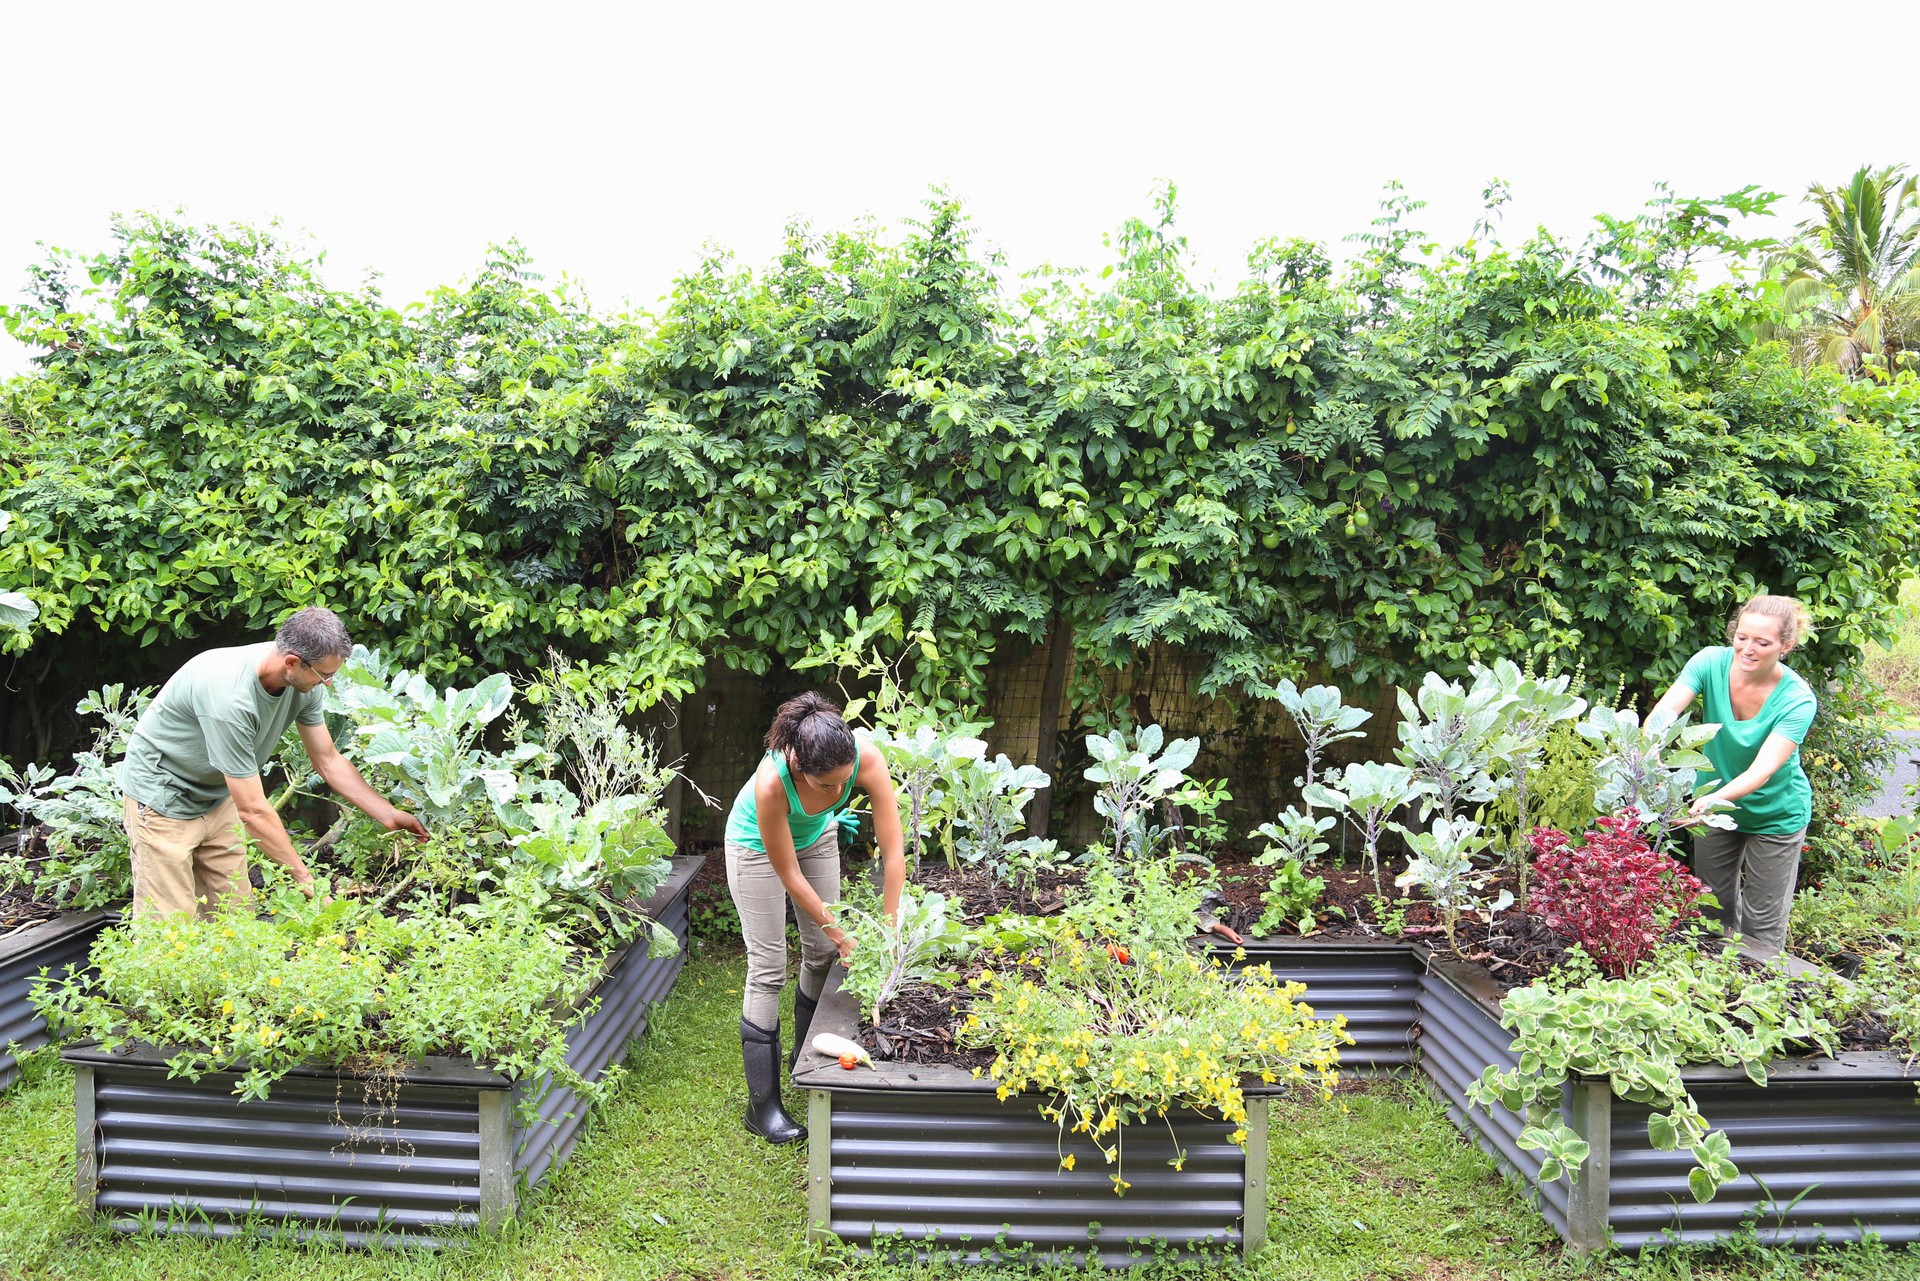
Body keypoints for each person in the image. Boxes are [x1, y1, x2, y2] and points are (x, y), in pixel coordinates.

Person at [119, 607, 429, 918]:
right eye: (325, 675)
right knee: (170, 927)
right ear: (292, 662)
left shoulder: (304, 681)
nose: (329, 683)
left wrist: (387, 813)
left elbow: (328, 759)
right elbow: (253, 809)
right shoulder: (230, 699)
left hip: (216, 794)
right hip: (163, 797)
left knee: (234, 916)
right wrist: (305, 879)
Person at [723, 692, 904, 1144]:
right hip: (755, 849)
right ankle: (762, 1107)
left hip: (816, 837)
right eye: (827, 786)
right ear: (799, 766)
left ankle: (804, 1059)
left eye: (845, 783)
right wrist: (842, 932)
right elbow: (788, 874)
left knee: (822, 954)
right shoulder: (772, 781)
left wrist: (891, 923)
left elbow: (893, 848)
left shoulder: (864, 758)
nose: (839, 793)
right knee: (768, 969)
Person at [1649, 594, 1818, 957]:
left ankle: (1759, 1000)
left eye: (1762, 642)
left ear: (1785, 646)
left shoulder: (1797, 699)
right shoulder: (1709, 663)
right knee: (1711, 910)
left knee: (1762, 925)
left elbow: (1762, 769)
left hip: (1775, 814)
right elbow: (1663, 716)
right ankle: (1713, 993)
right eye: (1742, 637)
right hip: (1711, 807)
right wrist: (1649, 757)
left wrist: (1711, 799)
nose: (1748, 649)